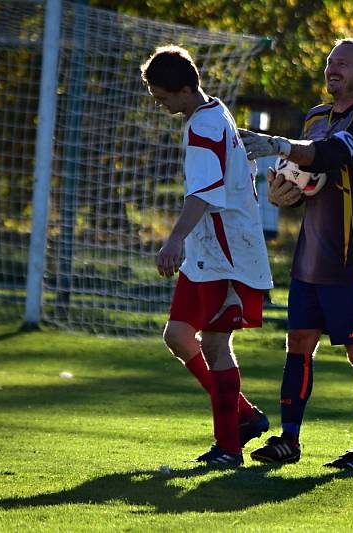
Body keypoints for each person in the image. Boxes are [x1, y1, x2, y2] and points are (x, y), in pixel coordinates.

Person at [239, 38, 353, 470]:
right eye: (329, 62)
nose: (332, 68)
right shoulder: (315, 117)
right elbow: (307, 177)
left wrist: (276, 145)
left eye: (342, 63)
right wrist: (284, 193)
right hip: (311, 257)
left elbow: (330, 155)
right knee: (299, 342)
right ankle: (289, 440)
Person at [140, 45, 273, 467]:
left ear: (183, 89)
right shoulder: (214, 112)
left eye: (162, 96)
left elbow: (204, 193)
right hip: (209, 253)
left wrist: (174, 239)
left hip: (225, 255)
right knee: (178, 337)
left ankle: (228, 448)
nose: (158, 103)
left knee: (215, 343)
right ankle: (245, 418)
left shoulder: (204, 126)